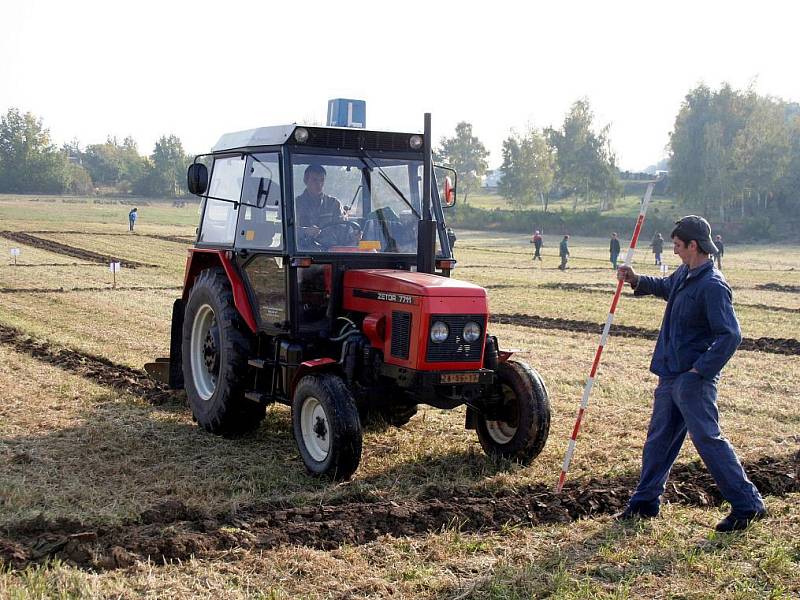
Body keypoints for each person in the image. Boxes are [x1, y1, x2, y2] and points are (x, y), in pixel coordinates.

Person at [615, 215, 766, 532]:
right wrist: (636, 280)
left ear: (693, 246)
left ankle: (747, 504)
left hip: (693, 381)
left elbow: (730, 335)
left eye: (678, 246)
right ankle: (645, 502)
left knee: (708, 441)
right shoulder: (686, 273)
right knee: (658, 441)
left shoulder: (712, 286)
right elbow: (666, 286)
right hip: (670, 374)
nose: (674, 252)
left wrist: (700, 370)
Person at [294, 165, 346, 246]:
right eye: (314, 180)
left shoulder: (334, 204)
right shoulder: (295, 204)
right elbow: (287, 231)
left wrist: (354, 235)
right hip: (302, 251)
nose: (319, 184)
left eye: (322, 180)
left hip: (330, 251)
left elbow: (343, 228)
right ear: (305, 181)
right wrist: (305, 231)